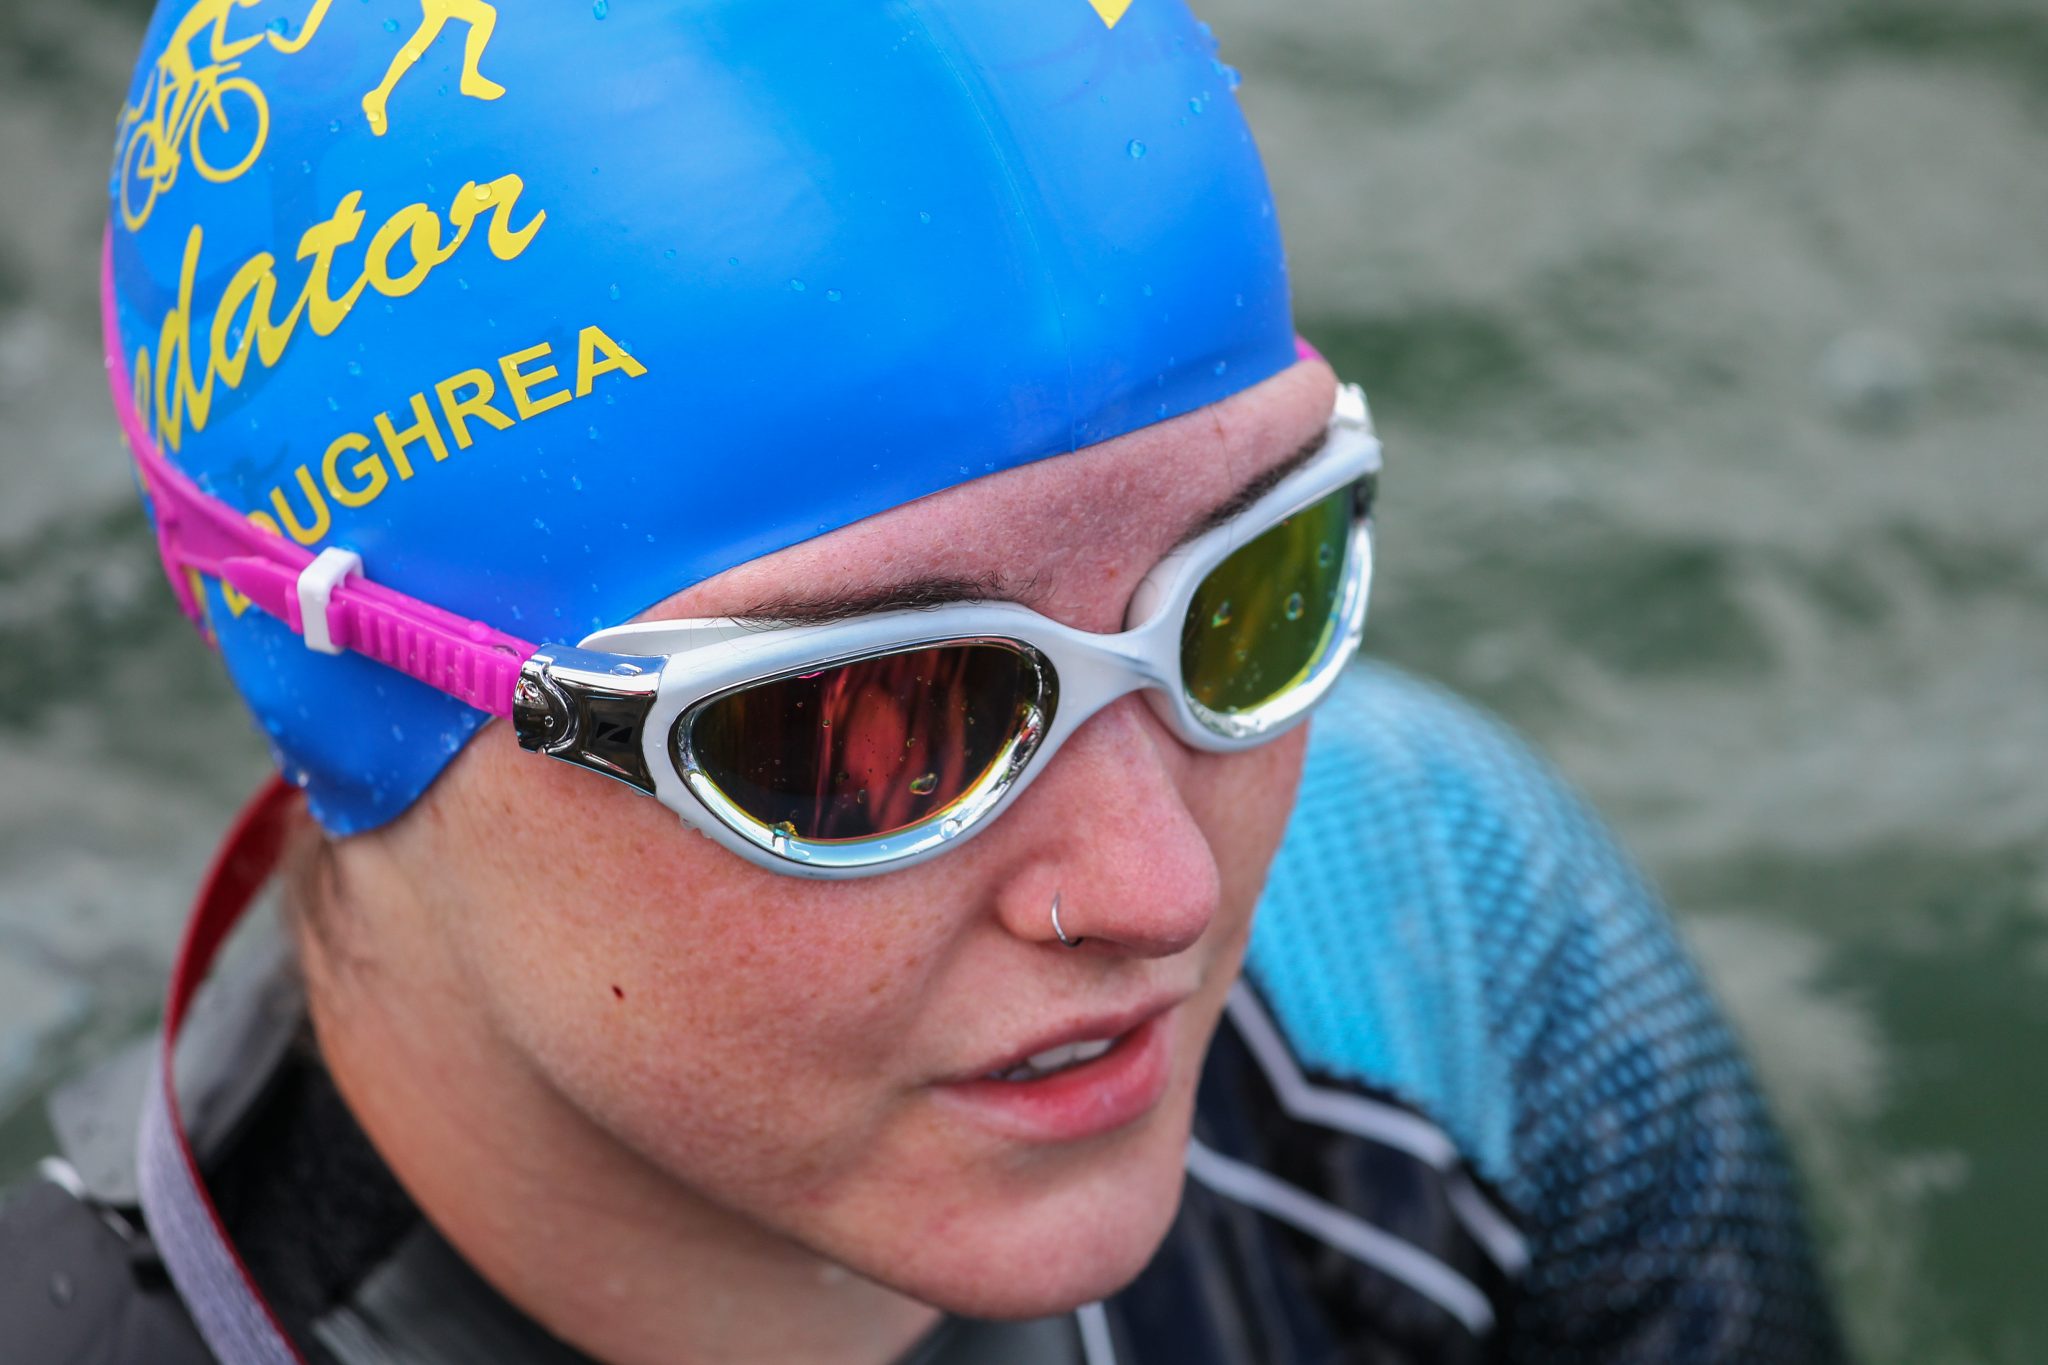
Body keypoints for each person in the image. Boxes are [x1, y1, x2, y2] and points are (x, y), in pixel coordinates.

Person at [2, 3, 1848, 1363]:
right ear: (358, 688)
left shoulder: (1451, 961)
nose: (1161, 889)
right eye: (865, 729)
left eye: (1250, 592)